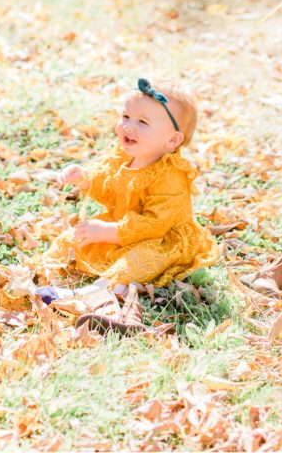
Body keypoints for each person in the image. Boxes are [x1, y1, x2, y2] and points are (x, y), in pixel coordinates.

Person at [35, 78, 219, 309]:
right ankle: (50, 278)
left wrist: (108, 232)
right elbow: (110, 188)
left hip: (161, 239)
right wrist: (83, 178)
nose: (128, 127)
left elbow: (155, 225)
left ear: (172, 139)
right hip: (123, 226)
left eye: (142, 122)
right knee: (74, 238)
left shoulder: (170, 175)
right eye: (125, 117)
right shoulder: (124, 156)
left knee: (138, 260)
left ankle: (91, 295)